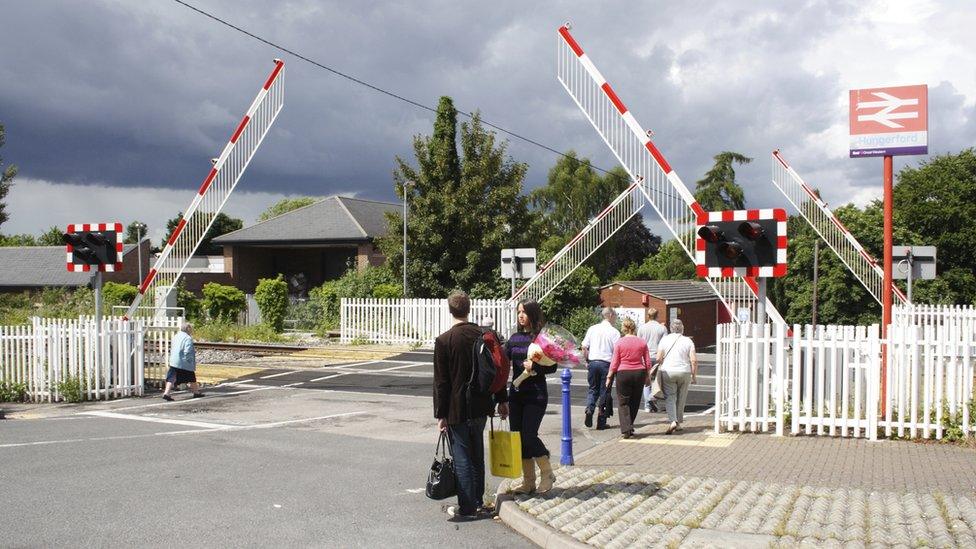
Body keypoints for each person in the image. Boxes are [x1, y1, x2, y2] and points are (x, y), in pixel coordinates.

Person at [433, 291, 508, 520]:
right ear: (469, 308)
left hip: (456, 407)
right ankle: (477, 500)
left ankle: (467, 508)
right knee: (476, 454)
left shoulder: (444, 340)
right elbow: (498, 368)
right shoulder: (483, 335)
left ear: (450, 310)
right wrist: (502, 400)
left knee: (462, 457)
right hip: (481, 404)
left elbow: (441, 382)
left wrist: (441, 414)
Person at [504, 300, 557, 494]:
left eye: (524, 312)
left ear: (533, 315)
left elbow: (552, 366)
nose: (520, 316)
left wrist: (534, 367)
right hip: (516, 394)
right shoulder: (514, 338)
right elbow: (502, 359)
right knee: (519, 438)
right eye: (519, 312)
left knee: (529, 435)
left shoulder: (542, 339)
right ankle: (529, 482)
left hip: (536, 394)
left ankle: (547, 472)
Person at [605, 318, 652, 439]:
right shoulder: (642, 342)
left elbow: (615, 362)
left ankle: (626, 428)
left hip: (623, 373)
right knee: (635, 401)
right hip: (639, 373)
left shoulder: (619, 343)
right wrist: (648, 376)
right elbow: (647, 361)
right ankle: (630, 425)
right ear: (634, 328)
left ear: (624, 329)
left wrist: (609, 376)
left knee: (623, 402)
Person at [656, 319, 698, 434]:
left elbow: (658, 358)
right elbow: (693, 360)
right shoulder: (688, 341)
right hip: (684, 372)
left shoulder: (665, 339)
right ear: (682, 329)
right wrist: (694, 376)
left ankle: (673, 421)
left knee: (670, 397)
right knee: (681, 398)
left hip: (668, 371)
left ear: (671, 328)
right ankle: (678, 422)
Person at [581, 308, 620, 430]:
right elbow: (617, 352)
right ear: (610, 315)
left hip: (593, 362)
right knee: (605, 391)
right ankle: (601, 421)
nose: (615, 318)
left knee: (593, 389)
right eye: (615, 315)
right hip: (606, 364)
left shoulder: (592, 329)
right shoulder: (614, 332)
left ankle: (589, 409)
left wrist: (587, 361)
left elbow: (584, 346)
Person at [162, 323, 204, 401]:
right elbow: (187, 351)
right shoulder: (187, 338)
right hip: (183, 362)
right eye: (191, 329)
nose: (191, 330)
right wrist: (189, 361)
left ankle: (166, 393)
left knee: (171, 377)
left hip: (174, 361)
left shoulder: (176, 336)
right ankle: (196, 392)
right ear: (188, 329)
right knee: (191, 377)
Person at [637, 308, 668, 413]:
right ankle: (652, 398)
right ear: (657, 315)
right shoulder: (662, 328)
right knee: (658, 380)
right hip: (658, 356)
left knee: (647, 381)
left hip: (645, 357)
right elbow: (665, 344)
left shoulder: (642, 328)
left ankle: (647, 406)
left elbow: (639, 343)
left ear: (648, 316)